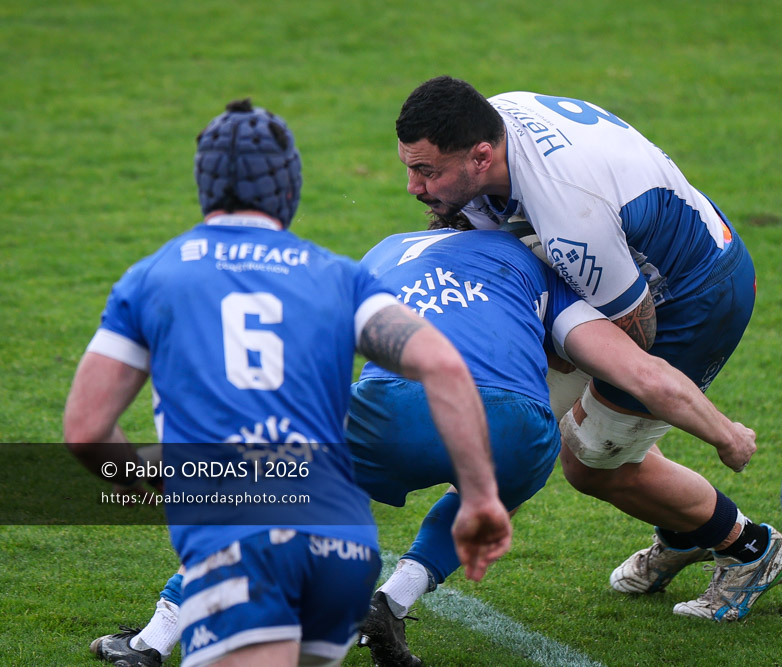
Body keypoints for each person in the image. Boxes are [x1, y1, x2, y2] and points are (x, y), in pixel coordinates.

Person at [65, 99, 511, 667]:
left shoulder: (153, 277)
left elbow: (85, 430)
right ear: (289, 187)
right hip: (344, 548)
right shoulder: (336, 275)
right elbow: (444, 367)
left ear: (205, 186)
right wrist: (477, 497)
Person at [393, 75, 782, 621]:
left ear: (481, 156)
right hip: (644, 257)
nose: (414, 187)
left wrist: (535, 354)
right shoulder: (492, 123)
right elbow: (487, 233)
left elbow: (631, 335)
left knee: (591, 461)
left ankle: (749, 547)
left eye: (427, 171)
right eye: (410, 167)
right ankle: (684, 533)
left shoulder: (569, 214)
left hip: (691, 298)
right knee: (508, 416)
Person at [349, 218, 763, 664]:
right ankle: (390, 602)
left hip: (388, 406)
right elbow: (643, 374)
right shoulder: (535, 264)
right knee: (495, 482)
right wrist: (726, 435)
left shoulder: (385, 250)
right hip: (514, 428)